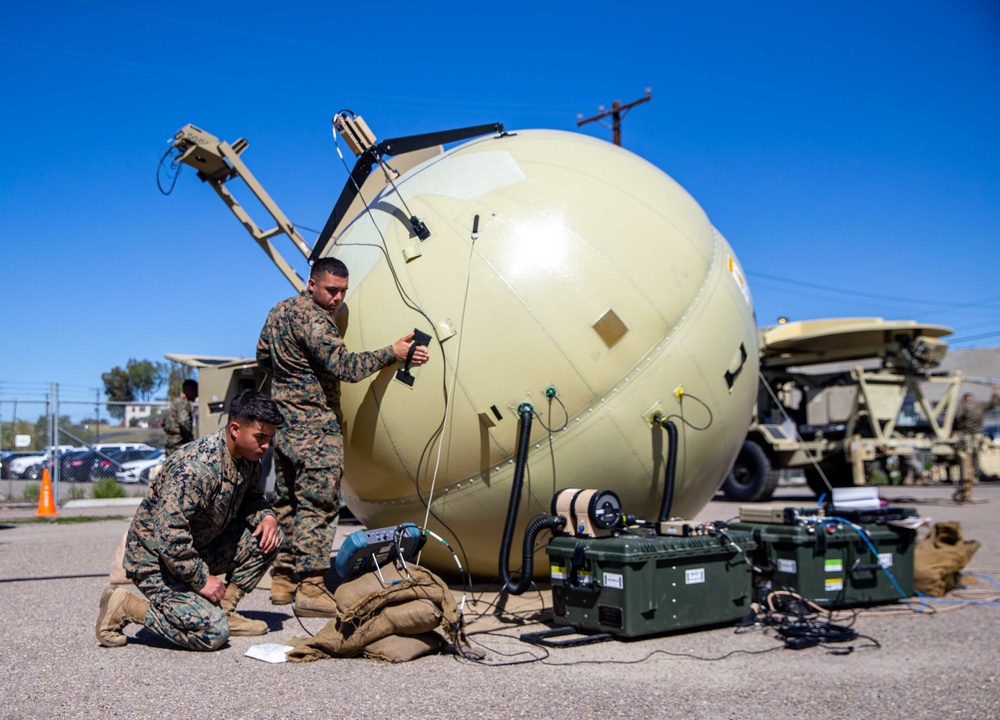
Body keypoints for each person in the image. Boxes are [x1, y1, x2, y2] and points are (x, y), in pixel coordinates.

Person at [256, 257, 429, 616]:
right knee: (318, 506)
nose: (337, 299)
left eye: (342, 292)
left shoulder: (278, 312)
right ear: (312, 284)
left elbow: (262, 357)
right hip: (315, 430)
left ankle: (283, 580)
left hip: (284, 426)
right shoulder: (318, 321)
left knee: (287, 503)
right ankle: (312, 588)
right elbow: (346, 368)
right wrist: (392, 353)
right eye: (331, 290)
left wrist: (292, 378)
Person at [95, 389, 284, 651]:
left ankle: (225, 609)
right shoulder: (196, 468)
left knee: (270, 537)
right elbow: (169, 534)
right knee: (212, 634)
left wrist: (267, 516)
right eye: (261, 437)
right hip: (156, 560)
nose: (266, 446)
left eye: (270, 438)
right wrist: (202, 580)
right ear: (235, 429)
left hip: (197, 548)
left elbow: (252, 498)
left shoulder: (248, 459)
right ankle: (126, 607)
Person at [164, 379, 198, 456]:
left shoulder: (176, 402)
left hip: (171, 443)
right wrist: (191, 439)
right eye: (195, 391)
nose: (197, 394)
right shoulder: (183, 403)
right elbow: (184, 421)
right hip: (179, 445)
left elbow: (165, 422)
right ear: (189, 390)